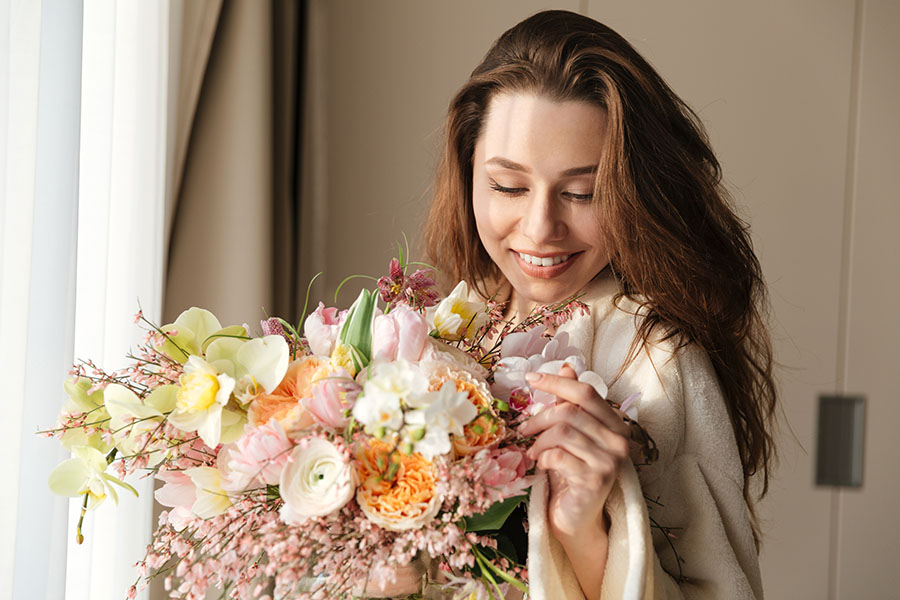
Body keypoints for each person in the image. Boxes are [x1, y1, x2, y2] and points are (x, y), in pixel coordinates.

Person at [418, 9, 777, 600]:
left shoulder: (659, 359)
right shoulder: (452, 324)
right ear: (467, 173)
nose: (540, 229)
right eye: (508, 186)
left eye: (584, 193)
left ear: (635, 193)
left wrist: (583, 534)